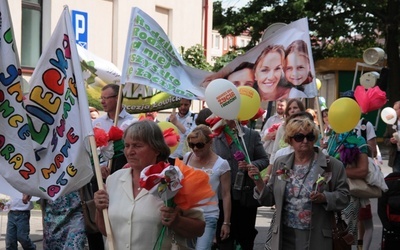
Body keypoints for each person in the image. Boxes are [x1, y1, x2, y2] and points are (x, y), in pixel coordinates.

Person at [94, 120, 205, 249]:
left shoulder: (174, 181)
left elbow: (199, 229)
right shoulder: (113, 180)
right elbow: (106, 231)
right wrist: (99, 208)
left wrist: (177, 221)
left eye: (137, 146)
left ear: (156, 149)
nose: (130, 152)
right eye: (127, 145)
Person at [248, 116, 350, 250]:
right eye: (299, 137)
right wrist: (259, 182)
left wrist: (325, 198)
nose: (305, 141)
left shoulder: (333, 165)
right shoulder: (281, 163)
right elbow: (271, 199)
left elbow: (345, 197)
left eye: (310, 136)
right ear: (290, 140)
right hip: (285, 236)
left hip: (317, 236)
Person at [212, 119, 269, 250]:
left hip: (245, 197)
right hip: (221, 196)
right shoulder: (214, 136)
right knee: (224, 238)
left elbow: (264, 159)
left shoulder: (250, 135)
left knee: (245, 238)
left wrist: (252, 165)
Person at [184, 125, 231, 250]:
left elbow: (226, 195)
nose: (195, 148)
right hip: (187, 215)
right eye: (191, 145)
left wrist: (226, 223)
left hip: (208, 216)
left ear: (210, 142)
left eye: (199, 145)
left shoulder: (222, 164)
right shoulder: (187, 158)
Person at [327, 130, 370, 248]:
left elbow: (362, 170)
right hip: (328, 193)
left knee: (343, 236)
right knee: (326, 235)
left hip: (349, 194)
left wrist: (338, 172)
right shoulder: (329, 138)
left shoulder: (358, 140)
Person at [92, 83, 134, 177]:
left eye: (105, 98)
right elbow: (93, 150)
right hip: (100, 178)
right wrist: (99, 167)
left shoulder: (131, 122)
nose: (102, 102)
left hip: (124, 175)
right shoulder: (97, 123)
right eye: (101, 98)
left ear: (117, 98)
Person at [383, 100, 400, 173]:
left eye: (395, 109)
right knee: (396, 178)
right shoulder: (391, 122)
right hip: (396, 156)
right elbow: (385, 138)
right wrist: (390, 141)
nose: (393, 111)